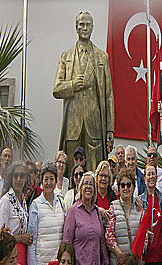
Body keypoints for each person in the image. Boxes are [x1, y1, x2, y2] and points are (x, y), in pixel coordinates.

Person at [53, 10, 114, 170]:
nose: (85, 28)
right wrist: (72, 84)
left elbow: (108, 96)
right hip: (72, 124)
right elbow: (56, 89)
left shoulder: (102, 57)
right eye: (81, 24)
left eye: (88, 25)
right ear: (76, 27)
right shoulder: (65, 56)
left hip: (95, 124)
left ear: (92, 27)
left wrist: (110, 128)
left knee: (96, 169)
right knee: (72, 171)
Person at [27, 162, 66, 265]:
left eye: (52, 179)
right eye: (46, 179)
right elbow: (31, 241)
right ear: (41, 182)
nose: (49, 183)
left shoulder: (61, 203)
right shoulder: (35, 205)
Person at [0, 161, 33, 265]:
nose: (19, 179)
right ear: (11, 177)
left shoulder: (23, 201)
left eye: (22, 176)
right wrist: (20, 238)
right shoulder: (6, 201)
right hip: (10, 254)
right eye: (16, 175)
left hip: (23, 253)